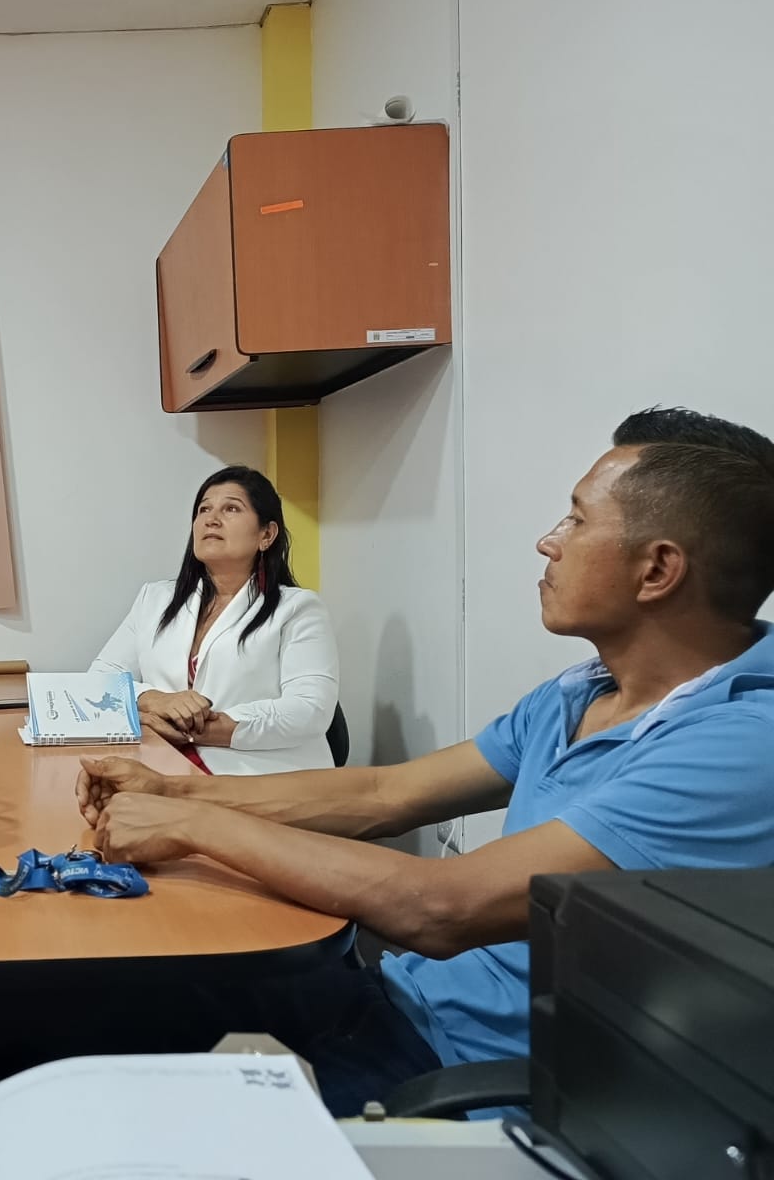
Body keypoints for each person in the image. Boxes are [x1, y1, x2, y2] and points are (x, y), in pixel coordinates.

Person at [75, 408, 774, 1116]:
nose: (548, 541)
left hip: (483, 1071)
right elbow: (385, 794)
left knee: (149, 1116)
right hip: (407, 996)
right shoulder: (580, 693)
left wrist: (193, 826)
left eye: (576, 520)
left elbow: (442, 908)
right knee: (98, 1011)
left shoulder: (739, 746)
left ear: (657, 569)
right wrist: (170, 792)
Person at [89, 465, 339, 774]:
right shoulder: (154, 599)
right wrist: (154, 700)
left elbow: (310, 710)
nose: (211, 519)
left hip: (259, 776)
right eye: (203, 509)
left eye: (231, 508)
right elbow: (98, 681)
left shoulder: (298, 608)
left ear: (266, 534)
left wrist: (187, 728)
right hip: (162, 766)